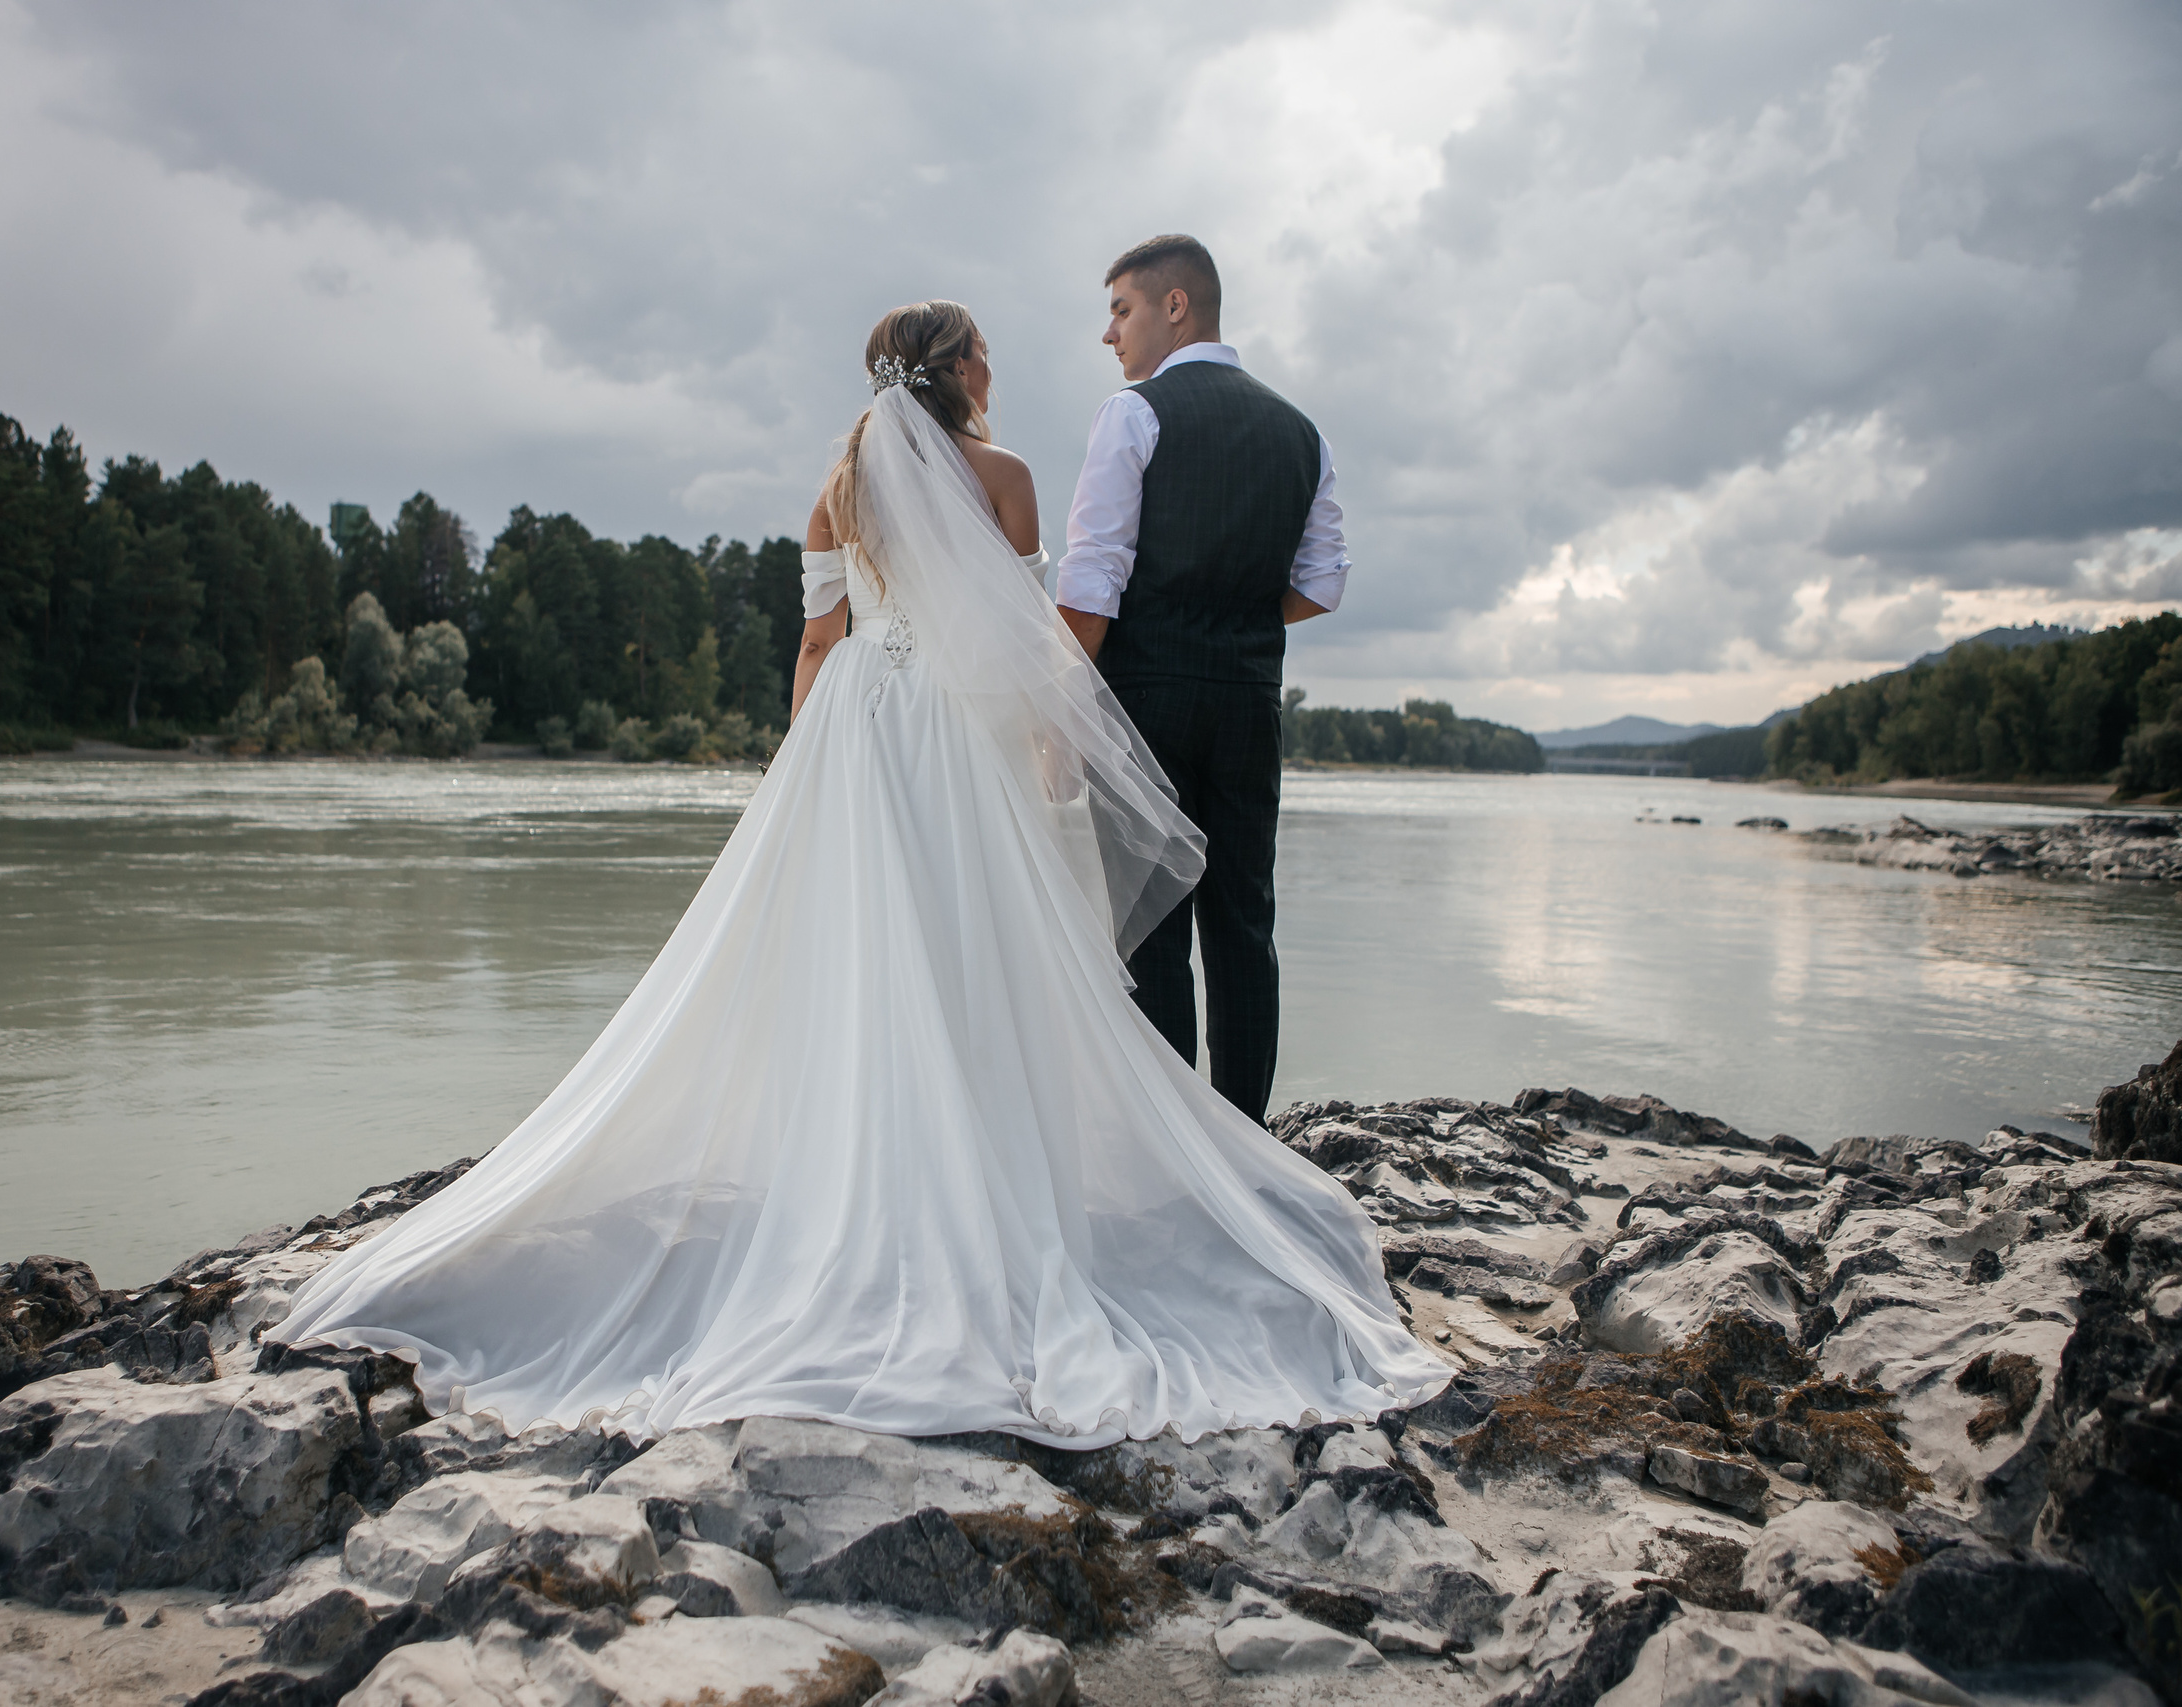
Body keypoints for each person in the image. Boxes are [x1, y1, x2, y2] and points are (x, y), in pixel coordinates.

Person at [269, 301, 1446, 1448]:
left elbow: (819, 639)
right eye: (984, 350)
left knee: (856, 957)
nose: (997, 365)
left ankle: (859, 1194)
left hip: (854, 729)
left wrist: (798, 760)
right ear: (957, 370)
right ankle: (983, 1195)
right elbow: (1023, 632)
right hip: (947, 727)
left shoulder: (839, 485)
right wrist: (1048, 741)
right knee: (972, 949)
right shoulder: (1007, 477)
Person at [1058, 235, 1347, 1124]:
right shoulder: (1303, 432)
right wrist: (1239, 623)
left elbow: (1090, 580)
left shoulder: (1135, 414)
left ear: (1174, 306)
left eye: (1122, 310)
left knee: (1151, 924)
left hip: (1146, 699)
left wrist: (1060, 702)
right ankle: (1247, 1137)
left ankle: (1179, 1146)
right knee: (1243, 925)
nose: (1111, 334)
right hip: (1251, 705)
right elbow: (1322, 584)